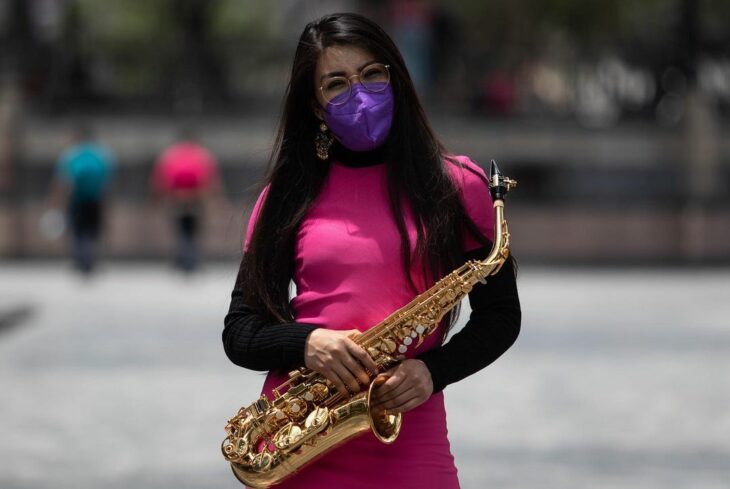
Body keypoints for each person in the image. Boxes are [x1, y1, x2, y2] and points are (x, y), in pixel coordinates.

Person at [222, 12, 521, 489]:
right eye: (335, 84)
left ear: (396, 79)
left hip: (410, 431)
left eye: (371, 75)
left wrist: (432, 371)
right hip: (299, 438)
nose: (358, 94)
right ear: (316, 107)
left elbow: (502, 315)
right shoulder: (286, 196)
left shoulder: (459, 186)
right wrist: (307, 343)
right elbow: (239, 332)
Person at [151, 127, 223, 272]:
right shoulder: (203, 154)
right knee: (194, 229)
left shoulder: (170, 154)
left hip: (176, 196)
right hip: (197, 196)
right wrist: (215, 198)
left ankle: (182, 260)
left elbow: (160, 178)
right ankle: (192, 260)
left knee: (181, 229)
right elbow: (212, 179)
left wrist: (158, 196)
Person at [49, 123, 114, 274]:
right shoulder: (102, 155)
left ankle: (80, 261)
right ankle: (90, 259)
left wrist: (55, 201)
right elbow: (107, 182)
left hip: (76, 198)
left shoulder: (70, 155)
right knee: (92, 230)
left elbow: (62, 181)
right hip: (95, 198)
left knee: (78, 230)